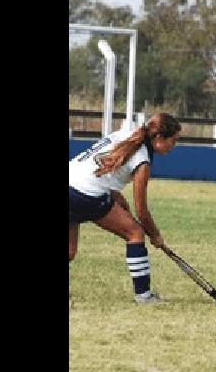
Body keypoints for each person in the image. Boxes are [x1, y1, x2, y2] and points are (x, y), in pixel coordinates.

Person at [68, 113, 182, 304]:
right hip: (84, 193)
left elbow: (105, 178)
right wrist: (155, 235)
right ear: (159, 138)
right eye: (174, 140)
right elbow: (142, 210)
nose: (174, 146)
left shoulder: (124, 135)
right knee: (135, 233)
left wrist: (122, 207)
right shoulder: (142, 161)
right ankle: (144, 296)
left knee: (69, 251)